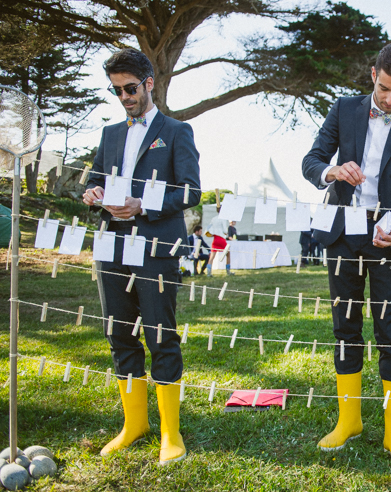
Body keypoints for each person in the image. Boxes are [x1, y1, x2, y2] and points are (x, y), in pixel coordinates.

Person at [302, 42, 391, 470]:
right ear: (373, 74)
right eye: (384, 89)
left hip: (387, 240)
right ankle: (349, 420)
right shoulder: (344, 110)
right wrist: (333, 170)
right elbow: (312, 160)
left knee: (389, 330)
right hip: (344, 234)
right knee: (345, 325)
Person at [81, 48, 200, 465]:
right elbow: (95, 178)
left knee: (160, 334)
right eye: (117, 91)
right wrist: (93, 193)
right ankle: (134, 424)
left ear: (149, 83)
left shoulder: (176, 131)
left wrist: (142, 206)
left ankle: (171, 432)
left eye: (131, 89)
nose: (125, 98)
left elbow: (190, 191)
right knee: (118, 333)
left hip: (155, 247)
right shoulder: (111, 133)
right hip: (110, 244)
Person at [205, 209, 232, 276]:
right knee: (228, 254)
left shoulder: (213, 218)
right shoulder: (223, 219)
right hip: (221, 239)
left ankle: (209, 272)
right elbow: (225, 230)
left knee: (212, 256)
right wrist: (226, 233)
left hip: (215, 239)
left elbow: (208, 227)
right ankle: (228, 271)